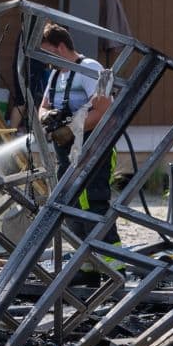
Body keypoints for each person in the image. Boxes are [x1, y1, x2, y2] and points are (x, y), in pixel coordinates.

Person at [32, 23, 118, 243]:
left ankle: (111, 264)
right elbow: (42, 106)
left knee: (93, 202)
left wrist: (71, 130)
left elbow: (105, 111)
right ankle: (86, 266)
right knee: (71, 202)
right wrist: (45, 117)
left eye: (46, 51)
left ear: (60, 48)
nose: (45, 59)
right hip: (67, 153)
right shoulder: (55, 76)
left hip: (94, 148)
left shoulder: (94, 69)